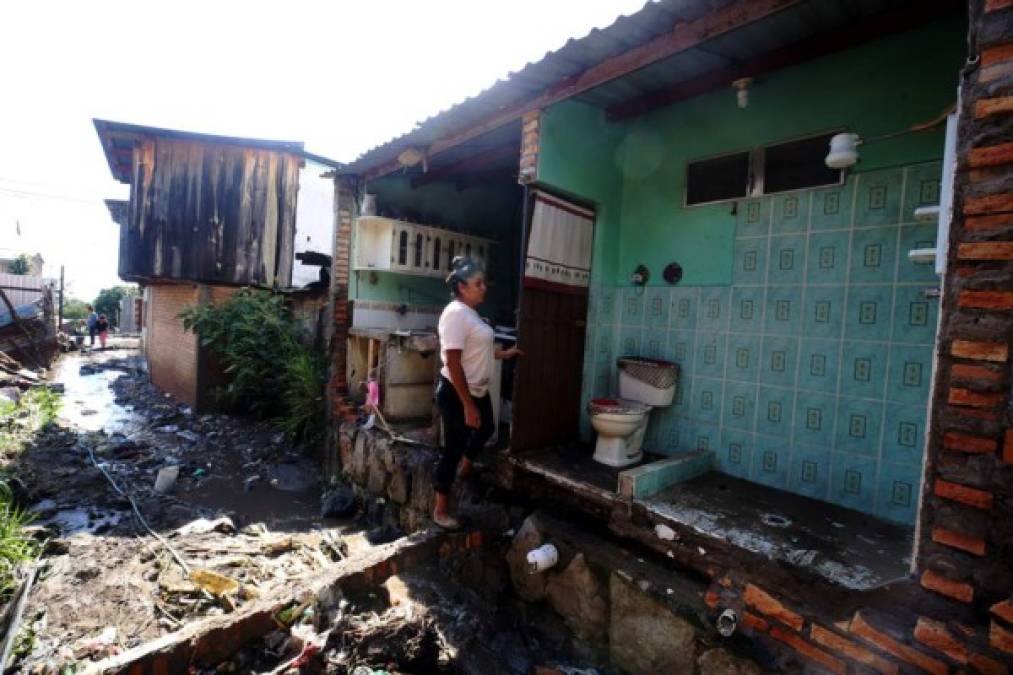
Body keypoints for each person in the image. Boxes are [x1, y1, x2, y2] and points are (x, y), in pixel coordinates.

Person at [433, 256, 522, 529]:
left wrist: (502, 354)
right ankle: (440, 510)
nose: (484, 287)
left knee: (486, 429)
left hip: (476, 390)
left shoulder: (471, 314)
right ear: (462, 287)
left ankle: (467, 467)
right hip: (457, 392)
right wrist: (468, 406)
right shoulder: (456, 314)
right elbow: (453, 362)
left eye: (484, 283)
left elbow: (477, 350)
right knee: (453, 448)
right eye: (478, 283)